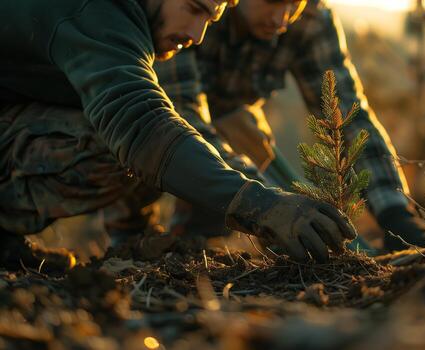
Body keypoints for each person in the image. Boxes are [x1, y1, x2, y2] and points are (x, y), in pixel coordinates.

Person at [0, 0, 357, 271]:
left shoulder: (128, 21)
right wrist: (258, 204)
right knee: (117, 142)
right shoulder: (95, 12)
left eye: (209, 20)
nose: (196, 35)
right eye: (192, 8)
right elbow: (142, 125)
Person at [152, 0, 425, 251]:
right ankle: (133, 232)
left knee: (247, 133)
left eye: (293, 5)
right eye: (272, 3)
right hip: (158, 133)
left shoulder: (310, 19)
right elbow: (183, 115)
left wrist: (395, 211)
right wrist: (266, 205)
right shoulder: (193, 13)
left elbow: (346, 114)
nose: (281, 19)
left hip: (234, 143)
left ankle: (198, 240)